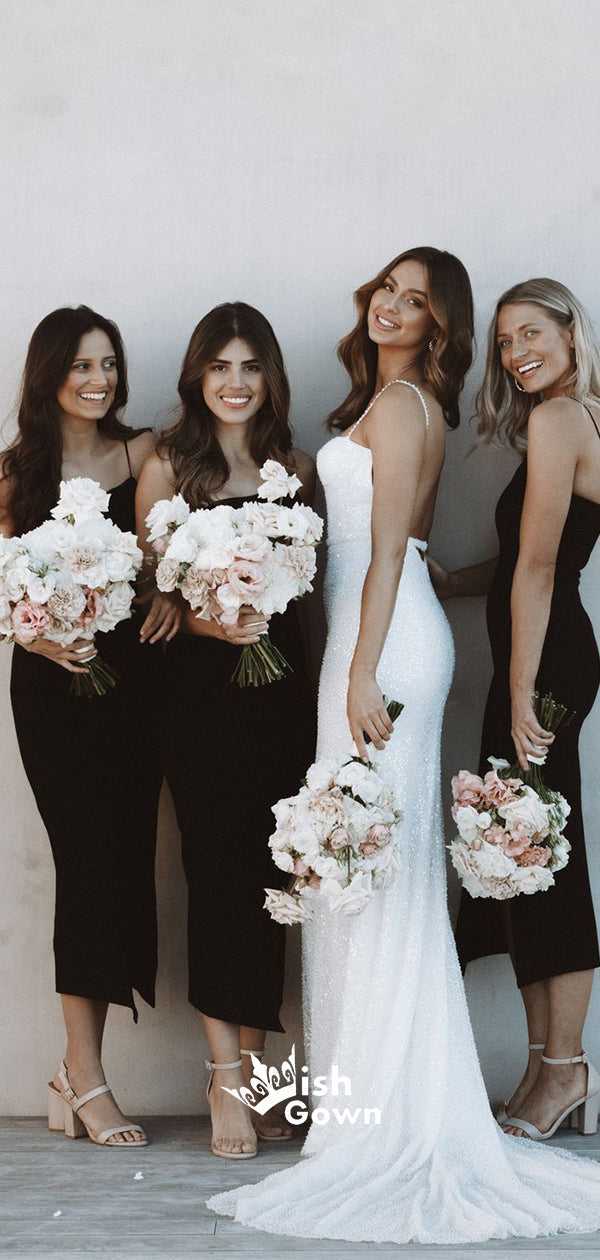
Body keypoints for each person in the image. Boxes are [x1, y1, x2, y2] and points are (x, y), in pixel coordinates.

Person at [208, 252, 600, 1244]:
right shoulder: (396, 402)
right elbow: (400, 549)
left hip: (378, 644)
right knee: (373, 873)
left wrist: (357, 671)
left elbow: (386, 550)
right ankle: (371, 1104)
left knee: (372, 875)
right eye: (388, 287)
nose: (391, 304)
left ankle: (385, 1116)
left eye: (415, 300)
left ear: (438, 324)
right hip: (383, 630)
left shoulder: (403, 405)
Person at [136, 301, 316, 1160]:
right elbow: (149, 593)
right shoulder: (169, 465)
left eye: (249, 367)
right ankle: (224, 1079)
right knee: (214, 875)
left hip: (281, 694)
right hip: (199, 700)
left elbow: (313, 591)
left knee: (272, 876)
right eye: (219, 367)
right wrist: (213, 623)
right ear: (197, 376)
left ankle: (256, 1071)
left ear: (269, 377)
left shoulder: (297, 469)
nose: (235, 383)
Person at [428, 278, 600, 1141]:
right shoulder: (571, 418)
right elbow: (527, 557)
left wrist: (523, 691)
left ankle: (566, 1069)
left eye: (532, 332)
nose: (516, 352)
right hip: (541, 658)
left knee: (546, 860)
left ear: (571, 333)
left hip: (546, 666)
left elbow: (540, 569)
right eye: (504, 341)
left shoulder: (561, 418)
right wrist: (456, 582)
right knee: (522, 854)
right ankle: (543, 1066)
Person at [2, 306, 172, 1147]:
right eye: (80, 366)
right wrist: (37, 634)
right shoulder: (16, 472)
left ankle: (76, 1077)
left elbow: (163, 558)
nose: (98, 379)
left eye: (107, 363)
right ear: (50, 376)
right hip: (52, 690)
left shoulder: (144, 454)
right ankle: (83, 1074)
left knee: (124, 863)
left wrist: (165, 590)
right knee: (86, 866)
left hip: (134, 686)